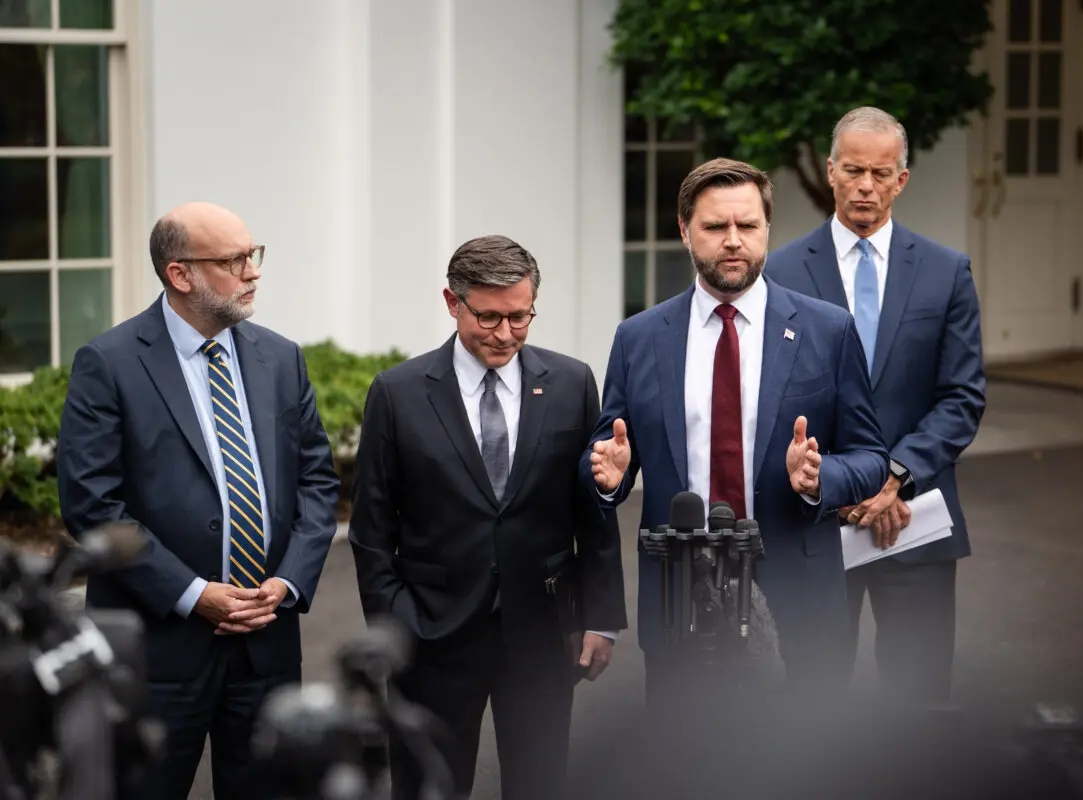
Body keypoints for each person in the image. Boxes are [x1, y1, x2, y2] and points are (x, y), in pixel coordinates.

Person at [56, 201, 341, 799]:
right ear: (180, 274)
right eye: (236, 260)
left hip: (266, 643)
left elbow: (317, 483)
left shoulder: (280, 358)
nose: (253, 271)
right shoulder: (108, 363)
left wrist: (288, 581)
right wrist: (193, 595)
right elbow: (92, 506)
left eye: (253, 255)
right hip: (159, 651)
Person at [585, 158, 889, 707]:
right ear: (684, 230)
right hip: (680, 592)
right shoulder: (638, 338)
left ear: (766, 229)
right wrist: (609, 475)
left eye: (747, 226)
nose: (733, 242)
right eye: (714, 227)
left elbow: (871, 456)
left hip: (797, 597)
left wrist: (821, 478)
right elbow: (612, 453)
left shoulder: (828, 330)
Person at [348, 235, 627, 800]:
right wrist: (395, 625)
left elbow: (589, 514)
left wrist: (602, 617)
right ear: (453, 304)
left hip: (545, 632)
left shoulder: (572, 384)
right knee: (428, 786)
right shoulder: (398, 393)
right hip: (432, 635)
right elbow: (371, 528)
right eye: (488, 317)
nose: (505, 334)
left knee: (539, 783)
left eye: (520, 317)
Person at [765, 106, 987, 702]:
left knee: (918, 709)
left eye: (881, 173)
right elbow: (772, 399)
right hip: (815, 525)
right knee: (814, 707)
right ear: (832, 171)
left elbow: (962, 397)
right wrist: (843, 484)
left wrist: (892, 477)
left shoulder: (947, 272)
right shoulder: (780, 273)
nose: (867, 185)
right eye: (854, 170)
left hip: (915, 524)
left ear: (902, 180)